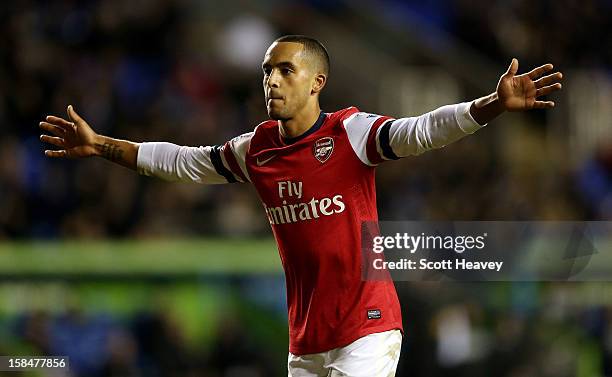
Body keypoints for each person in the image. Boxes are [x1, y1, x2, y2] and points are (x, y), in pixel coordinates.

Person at [39, 35, 563, 376]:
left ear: (317, 83)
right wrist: (102, 145)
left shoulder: (351, 133)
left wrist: (491, 104)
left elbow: (422, 130)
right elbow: (183, 161)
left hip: (369, 328)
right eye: (267, 70)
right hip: (307, 340)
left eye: (286, 70)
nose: (272, 79)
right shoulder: (257, 149)